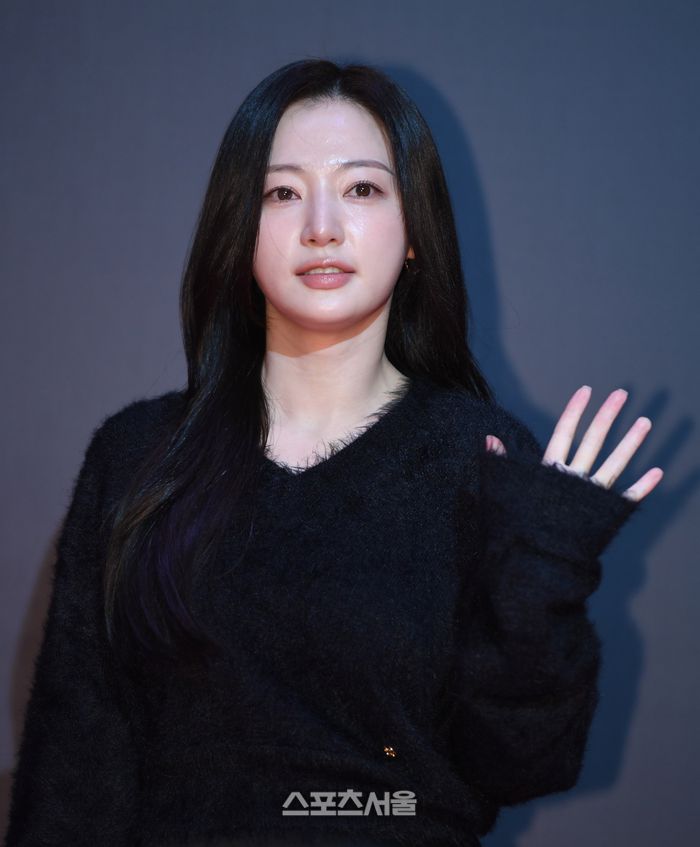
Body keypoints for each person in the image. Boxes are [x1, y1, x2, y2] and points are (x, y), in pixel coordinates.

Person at [4, 59, 662, 847]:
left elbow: (523, 763)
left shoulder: (479, 458)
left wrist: (544, 564)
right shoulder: (139, 456)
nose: (321, 225)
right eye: (283, 193)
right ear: (238, 228)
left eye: (361, 189)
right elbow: (74, 763)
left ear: (414, 231)